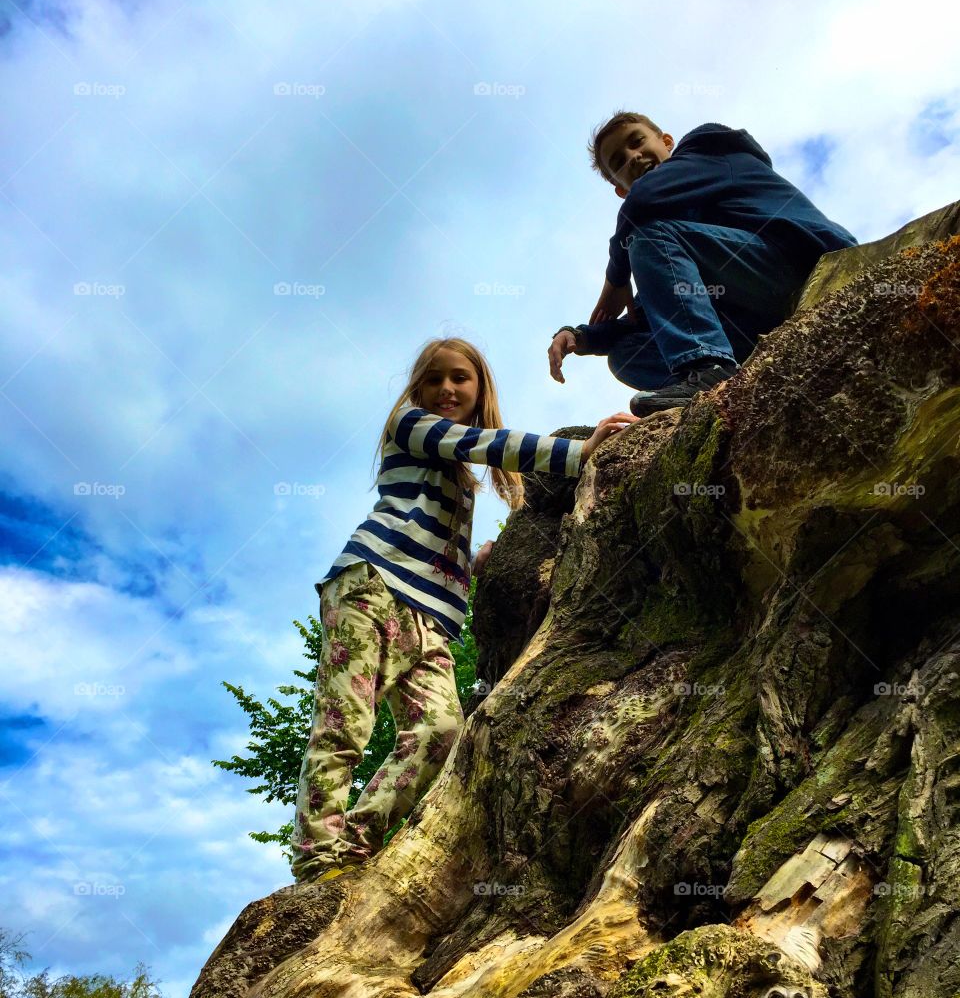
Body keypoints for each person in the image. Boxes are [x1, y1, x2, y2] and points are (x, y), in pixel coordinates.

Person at [291, 337, 639, 884]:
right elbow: (490, 444)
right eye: (434, 379)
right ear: (416, 389)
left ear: (480, 389)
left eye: (460, 378)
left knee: (443, 731)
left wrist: (475, 565)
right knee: (344, 721)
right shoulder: (412, 425)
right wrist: (580, 451)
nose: (446, 388)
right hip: (372, 584)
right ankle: (319, 855)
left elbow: (441, 527)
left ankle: (358, 841)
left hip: (431, 616)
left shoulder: (456, 471)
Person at [548, 114, 857, 416]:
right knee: (625, 356)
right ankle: (710, 383)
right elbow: (654, 309)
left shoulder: (710, 149)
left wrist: (616, 278)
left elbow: (643, 201)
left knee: (648, 239)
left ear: (667, 141)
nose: (633, 156)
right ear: (620, 190)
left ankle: (708, 369)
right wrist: (580, 336)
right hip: (754, 315)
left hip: (798, 263)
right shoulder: (672, 233)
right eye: (618, 161)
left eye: (637, 141)